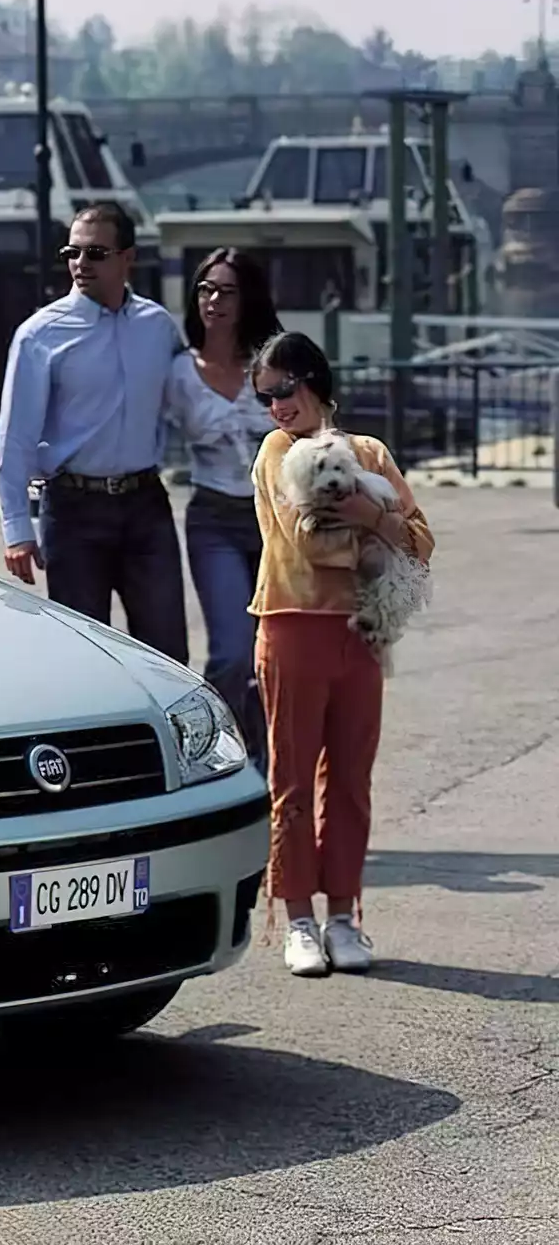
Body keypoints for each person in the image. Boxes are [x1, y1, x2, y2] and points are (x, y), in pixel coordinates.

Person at [248, 331, 434, 978]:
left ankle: (344, 917)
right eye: (265, 396)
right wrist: (379, 523)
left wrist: (366, 516)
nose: (276, 406)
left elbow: (422, 540)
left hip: (362, 633)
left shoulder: (371, 452)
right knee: (293, 782)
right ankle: (298, 918)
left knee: (352, 782)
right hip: (291, 626)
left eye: (283, 389)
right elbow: (308, 545)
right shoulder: (277, 452)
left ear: (314, 381)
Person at [0, 201, 190, 665]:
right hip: (74, 511)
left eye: (96, 253)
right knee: (85, 659)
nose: (80, 263)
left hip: (146, 505)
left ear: (128, 258)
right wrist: (17, 530)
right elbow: (15, 437)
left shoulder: (158, 326)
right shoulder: (40, 334)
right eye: (72, 252)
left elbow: (185, 403)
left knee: (167, 655)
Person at [163, 249, 282, 764]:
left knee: (276, 653)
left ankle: (273, 761)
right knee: (232, 652)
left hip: (278, 521)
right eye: (206, 289)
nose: (214, 300)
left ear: (247, 298)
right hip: (214, 518)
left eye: (227, 291)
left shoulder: (275, 364)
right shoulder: (179, 372)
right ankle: (218, 756)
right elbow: (141, 432)